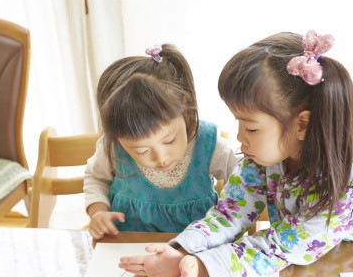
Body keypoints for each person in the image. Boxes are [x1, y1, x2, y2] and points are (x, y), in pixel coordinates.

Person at [119, 31, 353, 277]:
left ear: (303, 125)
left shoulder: (344, 182)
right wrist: (182, 251)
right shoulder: (261, 158)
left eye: (250, 127)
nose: (240, 138)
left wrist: (202, 266)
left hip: (352, 276)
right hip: (292, 272)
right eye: (238, 123)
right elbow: (230, 214)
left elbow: (282, 246)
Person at [84, 44, 238, 239]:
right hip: (129, 245)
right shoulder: (114, 147)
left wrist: (228, 216)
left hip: (194, 251)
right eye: (141, 151)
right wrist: (98, 212)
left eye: (169, 140)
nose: (161, 157)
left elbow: (245, 180)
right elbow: (96, 178)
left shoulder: (208, 143)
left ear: (185, 105)